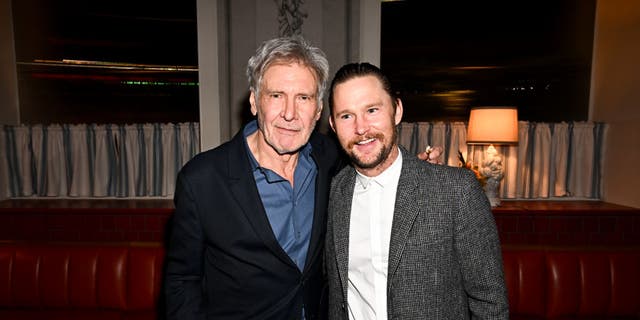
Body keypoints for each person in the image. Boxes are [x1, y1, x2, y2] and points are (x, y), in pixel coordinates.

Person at [164, 36, 443, 320]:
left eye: (304, 98)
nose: (289, 113)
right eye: (276, 96)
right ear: (254, 102)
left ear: (319, 111)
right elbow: (181, 282)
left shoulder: (330, 159)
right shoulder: (202, 180)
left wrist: (411, 170)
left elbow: (372, 154)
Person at [324, 62, 509, 319]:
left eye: (372, 110)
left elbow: (490, 303)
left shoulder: (457, 191)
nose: (361, 128)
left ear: (397, 110)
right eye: (346, 116)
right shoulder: (335, 191)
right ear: (333, 125)